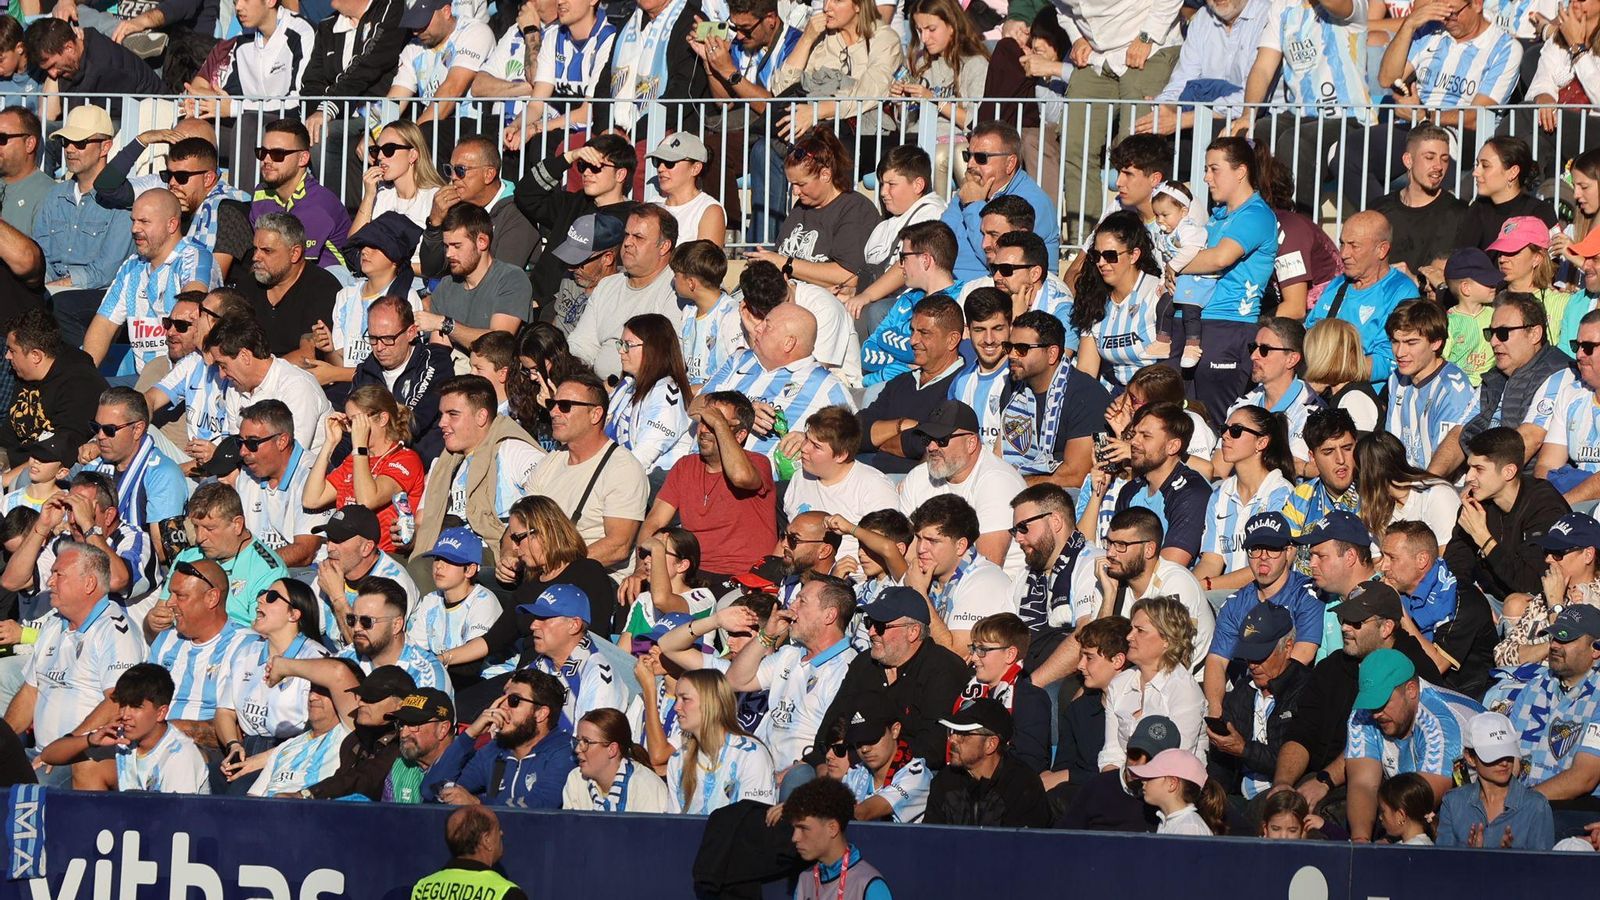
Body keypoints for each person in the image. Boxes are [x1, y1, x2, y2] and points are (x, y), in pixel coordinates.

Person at [1347, 0, 1523, 209]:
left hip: (1460, 135)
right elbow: (1386, 78)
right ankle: (1383, 218)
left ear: (1477, 4)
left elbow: (1477, 116)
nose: (1447, 21)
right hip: (1414, 126)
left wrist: (1426, 116)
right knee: (1343, 153)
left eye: (1453, 13)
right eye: (1442, 13)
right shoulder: (1430, 32)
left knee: (1431, 154)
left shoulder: (1505, 48)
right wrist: (1409, 24)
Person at [3, 542, 143, 784]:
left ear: (89, 584)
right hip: (41, 754)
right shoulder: (53, 624)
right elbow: (29, 693)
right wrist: (3, 741)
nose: (50, 582)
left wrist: (63, 748)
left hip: (85, 757)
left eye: (59, 574)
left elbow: (117, 702)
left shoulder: (115, 630)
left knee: (27, 792)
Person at [1181, 137, 1281, 421]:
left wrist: (1174, 267)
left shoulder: (1256, 214)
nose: (1206, 178)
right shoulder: (1218, 217)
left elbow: (1219, 258)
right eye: (1206, 169)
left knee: (1216, 419)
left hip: (1229, 327)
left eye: (1214, 169)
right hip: (1196, 325)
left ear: (1241, 172)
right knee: (1186, 418)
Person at [1344, 648, 1484, 843]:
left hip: (1473, 816)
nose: (1375, 714)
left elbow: (1424, 796)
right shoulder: (1365, 712)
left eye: (1382, 703)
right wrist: (1360, 841)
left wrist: (1388, 841)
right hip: (1404, 811)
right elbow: (1363, 784)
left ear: (1411, 690)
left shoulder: (1440, 721)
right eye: (1372, 704)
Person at [726, 576, 857, 780]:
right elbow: (735, 681)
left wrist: (781, 780)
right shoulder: (790, 654)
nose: (791, 607)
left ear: (829, 615)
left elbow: (833, 747)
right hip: (760, 776)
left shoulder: (847, 669)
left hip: (800, 784)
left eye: (801, 601)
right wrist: (766, 636)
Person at [699, 304, 857, 472]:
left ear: (788, 343)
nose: (757, 328)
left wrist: (808, 440)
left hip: (754, 481)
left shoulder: (827, 386)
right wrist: (744, 412)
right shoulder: (739, 359)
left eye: (767, 326)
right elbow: (695, 407)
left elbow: (850, 441)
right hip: (695, 468)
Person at [410, 374, 542, 569]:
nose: (441, 423)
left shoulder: (512, 450)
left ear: (481, 417)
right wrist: (408, 537)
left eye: (453, 414)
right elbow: (423, 524)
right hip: (448, 550)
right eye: (441, 414)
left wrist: (512, 549)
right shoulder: (444, 464)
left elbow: (547, 505)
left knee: (421, 569)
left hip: (494, 553)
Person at [85, 189, 216, 376]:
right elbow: (104, 326)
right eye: (133, 221)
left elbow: (193, 311)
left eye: (144, 222)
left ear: (171, 225)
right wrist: (84, 376)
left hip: (182, 380)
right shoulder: (131, 267)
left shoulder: (193, 258)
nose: (134, 229)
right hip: (141, 378)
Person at [524, 373, 648, 571]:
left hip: (595, 575)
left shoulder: (623, 468)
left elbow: (618, 546)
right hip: (544, 570)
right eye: (552, 404)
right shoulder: (550, 461)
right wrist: (508, 554)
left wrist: (558, 566)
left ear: (595, 414)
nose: (554, 412)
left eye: (565, 406)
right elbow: (523, 522)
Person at [216, 578, 330, 791]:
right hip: (247, 747)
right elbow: (224, 710)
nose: (260, 599)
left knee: (238, 794)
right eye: (262, 593)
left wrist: (261, 760)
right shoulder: (245, 652)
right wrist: (233, 745)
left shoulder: (316, 659)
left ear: (294, 614)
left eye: (271, 597)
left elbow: (319, 731)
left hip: (293, 753)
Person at [1202, 512, 1323, 712]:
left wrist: (1268, 700)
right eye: (1256, 549)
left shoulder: (1307, 594)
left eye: (1272, 548)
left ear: (1289, 551)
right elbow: (1216, 661)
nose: (1263, 557)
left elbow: (1304, 652)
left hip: (1293, 696)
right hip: (1248, 695)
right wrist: (1215, 711)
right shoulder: (1235, 603)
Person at [144, 556, 261, 759]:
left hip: (211, 754)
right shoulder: (165, 639)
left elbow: (240, 729)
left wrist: (166, 731)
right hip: (152, 743)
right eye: (170, 593)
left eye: (180, 596)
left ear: (211, 598)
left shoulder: (246, 646)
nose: (169, 603)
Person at [41, 663, 210, 794]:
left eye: (136, 706)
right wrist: (90, 740)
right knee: (87, 765)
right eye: (123, 704)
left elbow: (178, 820)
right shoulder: (119, 735)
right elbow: (48, 755)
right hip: (132, 822)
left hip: (170, 826)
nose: (125, 714)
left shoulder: (180, 756)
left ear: (161, 713)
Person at [1445, 427, 1570, 601]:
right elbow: (1456, 563)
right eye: (1469, 468)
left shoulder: (1544, 506)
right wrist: (1468, 599)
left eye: (1478, 469)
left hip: (1536, 603)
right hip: (1488, 599)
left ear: (1508, 472)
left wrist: (1483, 538)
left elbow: (1532, 584)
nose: (1468, 477)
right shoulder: (1476, 501)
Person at [1080, 403, 1210, 567]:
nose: (1134, 442)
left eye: (1146, 436)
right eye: (1134, 434)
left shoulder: (1192, 492)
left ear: (1172, 446)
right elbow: (1095, 551)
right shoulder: (1130, 490)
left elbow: (1170, 568)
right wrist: (1097, 493)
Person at [514, 137, 636, 309]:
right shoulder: (573, 203)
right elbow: (525, 194)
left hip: (581, 312)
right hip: (533, 305)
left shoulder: (634, 220)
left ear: (620, 174)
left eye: (595, 166)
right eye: (582, 165)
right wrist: (569, 157)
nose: (586, 173)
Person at [303, 386, 427, 555]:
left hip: (383, 555)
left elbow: (367, 501)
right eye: (349, 422)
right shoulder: (356, 458)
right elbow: (311, 499)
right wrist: (329, 443)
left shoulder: (405, 459)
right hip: (346, 551)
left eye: (357, 421)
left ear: (382, 419)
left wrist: (359, 447)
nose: (353, 429)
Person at [428, 669, 578, 808]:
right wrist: (470, 734)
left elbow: (540, 805)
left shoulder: (565, 751)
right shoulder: (495, 751)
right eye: (502, 698)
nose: (501, 707)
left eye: (514, 700)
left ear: (541, 714)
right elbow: (430, 792)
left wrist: (477, 803)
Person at [1209, 602, 1312, 802]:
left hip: (1285, 799)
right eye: (1248, 656)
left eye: (1260, 655)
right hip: (1237, 796)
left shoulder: (1307, 690)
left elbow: (1296, 760)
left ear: (1288, 647)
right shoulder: (1243, 690)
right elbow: (1221, 764)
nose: (1252, 665)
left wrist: (1244, 750)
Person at [308, 214, 424, 390]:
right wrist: (328, 349)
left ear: (395, 258)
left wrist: (334, 374)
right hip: (348, 390)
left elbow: (397, 370)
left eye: (375, 247)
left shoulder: (407, 298)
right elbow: (341, 362)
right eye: (363, 245)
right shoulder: (345, 296)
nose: (365, 251)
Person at [998, 310, 1112, 487]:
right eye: (1008, 347)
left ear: (1052, 354)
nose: (1012, 355)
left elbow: (1076, 477)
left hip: (1071, 494)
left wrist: (1013, 484)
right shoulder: (1013, 390)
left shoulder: (1087, 396)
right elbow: (1000, 453)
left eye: (1021, 349)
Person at [853, 296, 966, 475]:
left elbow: (927, 445)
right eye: (912, 331)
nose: (912, 340)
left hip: (914, 482)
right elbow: (856, 431)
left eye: (924, 333)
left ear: (952, 340)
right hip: (872, 476)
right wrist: (901, 425)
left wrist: (880, 438)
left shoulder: (963, 385)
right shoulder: (901, 382)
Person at [566, 205, 680, 382]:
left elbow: (663, 361)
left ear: (664, 246)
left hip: (644, 389)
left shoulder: (676, 289)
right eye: (627, 235)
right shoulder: (607, 286)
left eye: (638, 237)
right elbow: (581, 347)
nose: (627, 243)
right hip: (597, 387)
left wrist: (619, 388)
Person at [33, 105, 131, 304]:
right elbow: (41, 256)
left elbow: (106, 271)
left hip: (99, 299)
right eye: (66, 141)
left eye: (80, 142)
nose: (69, 149)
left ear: (105, 147)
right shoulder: (54, 196)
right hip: (52, 293)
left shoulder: (122, 201)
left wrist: (55, 288)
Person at [1099, 594, 1207, 772]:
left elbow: (1177, 759)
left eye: (1140, 631)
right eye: (1131, 629)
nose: (1129, 637)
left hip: (1171, 782)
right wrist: (1113, 782)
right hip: (1124, 778)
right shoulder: (1119, 684)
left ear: (1167, 640)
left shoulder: (1184, 690)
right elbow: (1112, 753)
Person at [941, 122, 1059, 282]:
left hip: (1008, 290)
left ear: (1010, 164)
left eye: (981, 158)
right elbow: (940, 244)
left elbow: (999, 261)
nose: (970, 165)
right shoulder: (971, 188)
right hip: (954, 285)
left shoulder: (1032, 201)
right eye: (968, 156)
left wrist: (972, 205)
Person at [1194, 409, 1297, 594]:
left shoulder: (1281, 494)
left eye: (1236, 430)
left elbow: (1267, 568)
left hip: (1266, 596)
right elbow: (1211, 561)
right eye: (1224, 429)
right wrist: (1188, 588)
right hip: (1225, 595)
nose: (1225, 436)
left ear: (1261, 442)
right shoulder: (1220, 494)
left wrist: (1207, 586)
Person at [1071, 211, 1176, 390]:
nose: (1101, 263)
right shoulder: (1095, 300)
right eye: (1096, 256)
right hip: (1117, 392)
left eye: (1110, 256)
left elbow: (1172, 364)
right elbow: (1087, 371)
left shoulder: (1156, 292)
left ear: (1134, 255)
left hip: (1157, 391)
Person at [859, 222, 965, 392]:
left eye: (904, 257)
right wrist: (907, 361)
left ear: (925, 260)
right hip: (878, 386)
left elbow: (933, 360)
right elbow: (867, 354)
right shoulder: (906, 299)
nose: (900, 265)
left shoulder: (961, 299)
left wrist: (887, 343)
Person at [347, 297, 454, 464]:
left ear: (411, 332)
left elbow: (411, 423)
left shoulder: (434, 363)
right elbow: (351, 428)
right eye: (373, 338)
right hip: (372, 463)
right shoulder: (365, 372)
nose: (379, 347)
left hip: (420, 464)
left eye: (388, 338)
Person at [205, 317, 333, 454]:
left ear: (245, 356)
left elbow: (289, 455)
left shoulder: (297, 386)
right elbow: (236, 447)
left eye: (223, 365)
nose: (221, 375)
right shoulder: (235, 387)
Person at [416, 204, 530, 354]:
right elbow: (439, 352)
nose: (449, 254)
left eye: (457, 246)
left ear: (482, 242)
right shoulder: (446, 286)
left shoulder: (511, 279)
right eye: (446, 246)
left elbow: (499, 344)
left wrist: (446, 324)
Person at [1435, 710, 1556, 849]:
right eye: (1494, 755)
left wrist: (1510, 859)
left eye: (1508, 753)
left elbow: (1543, 862)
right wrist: (1471, 857)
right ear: (1470, 758)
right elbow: (1444, 860)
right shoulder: (1453, 803)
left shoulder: (1536, 806)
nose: (1504, 763)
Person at [422, 136, 540, 278]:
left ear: (488, 174)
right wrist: (434, 223)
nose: (453, 177)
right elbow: (430, 270)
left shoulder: (519, 213)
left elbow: (499, 278)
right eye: (449, 170)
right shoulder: (456, 207)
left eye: (460, 170)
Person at [247, 119, 353, 273]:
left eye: (278, 154)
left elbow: (296, 270)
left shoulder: (318, 204)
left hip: (328, 280)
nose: (266, 160)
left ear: (303, 158)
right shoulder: (260, 194)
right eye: (262, 153)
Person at [926, 697, 1051, 827]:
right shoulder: (944, 781)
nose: (952, 740)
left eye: (963, 734)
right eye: (952, 732)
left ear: (991, 744)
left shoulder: (1023, 787)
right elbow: (930, 836)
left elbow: (1026, 839)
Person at [232, 400, 330, 567]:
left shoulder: (313, 475)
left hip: (306, 573)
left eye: (252, 443)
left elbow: (304, 552)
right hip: (259, 568)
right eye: (240, 442)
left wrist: (249, 565)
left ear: (282, 441)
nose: (243, 451)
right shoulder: (247, 474)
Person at [295, 663, 412, 801]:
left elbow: (366, 778)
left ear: (400, 705)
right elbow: (343, 780)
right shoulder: (353, 741)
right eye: (362, 696)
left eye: (371, 698)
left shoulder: (407, 741)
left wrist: (309, 794)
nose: (361, 703)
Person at [667, 668, 778, 813]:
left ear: (711, 702)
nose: (676, 707)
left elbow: (754, 821)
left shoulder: (751, 755)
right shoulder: (678, 759)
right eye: (676, 699)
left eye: (685, 699)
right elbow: (673, 822)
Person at [1386, 299, 1478, 472]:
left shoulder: (1452, 390)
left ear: (1436, 342)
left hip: (1438, 484)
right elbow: (1391, 444)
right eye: (1395, 341)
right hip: (1403, 479)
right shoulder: (1396, 379)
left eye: (1411, 343)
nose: (1399, 352)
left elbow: (1443, 465)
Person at [0, 309, 105, 458]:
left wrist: (10, 469)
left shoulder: (79, 385)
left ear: (35, 356)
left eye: (12, 351)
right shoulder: (25, 374)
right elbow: (7, 436)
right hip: (19, 459)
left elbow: (63, 448)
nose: (7, 356)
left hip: (53, 464)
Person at [1372, 125, 1470, 280]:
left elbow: (1464, 279)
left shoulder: (1460, 214)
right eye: (1429, 157)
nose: (1439, 166)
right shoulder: (1379, 209)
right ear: (1408, 160)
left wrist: (1414, 281)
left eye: (1444, 159)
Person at [1497, 519, 1600, 667]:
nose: (1548, 559)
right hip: (1531, 680)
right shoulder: (1545, 597)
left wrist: (1555, 606)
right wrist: (1549, 646)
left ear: (1588, 554)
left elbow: (1574, 660)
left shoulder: (1594, 598)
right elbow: (1502, 656)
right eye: (1546, 551)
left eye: (1558, 553)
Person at [958, 613, 1051, 772]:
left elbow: (1030, 762)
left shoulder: (1030, 699)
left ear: (1010, 654)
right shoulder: (973, 694)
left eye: (982, 650)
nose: (973, 658)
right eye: (973, 649)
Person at [384, 0, 496, 129]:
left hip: (471, 126)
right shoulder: (413, 47)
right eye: (412, 24)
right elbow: (395, 100)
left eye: (421, 22)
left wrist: (414, 137)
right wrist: (373, 133)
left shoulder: (475, 32)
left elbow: (452, 89)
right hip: (432, 127)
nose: (416, 31)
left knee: (426, 133)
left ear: (446, 11)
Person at [606, 313, 693, 476]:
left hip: (655, 480)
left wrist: (608, 479)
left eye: (628, 345)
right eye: (620, 344)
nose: (621, 351)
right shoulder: (629, 385)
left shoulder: (668, 392)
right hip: (622, 471)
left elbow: (646, 452)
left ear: (653, 349)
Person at [782, 777, 893, 898]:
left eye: (803, 828)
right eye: (794, 829)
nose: (795, 838)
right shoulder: (805, 879)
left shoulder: (869, 884)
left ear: (832, 828)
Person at [1453, 136, 1559, 252]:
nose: (1475, 173)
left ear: (1513, 172)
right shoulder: (1479, 208)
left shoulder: (1540, 211)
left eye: (1485, 166)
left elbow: (1553, 258)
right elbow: (1461, 257)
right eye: (1477, 165)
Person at [1358, 433, 1461, 551]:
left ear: (1367, 474)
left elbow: (1449, 555)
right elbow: (1378, 558)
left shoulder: (1437, 494)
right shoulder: (1377, 508)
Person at [352, 120, 445, 244]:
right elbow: (352, 245)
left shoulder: (435, 198)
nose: (379, 157)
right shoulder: (381, 194)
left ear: (412, 155)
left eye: (389, 149)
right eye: (376, 150)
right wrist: (368, 197)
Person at [22, 17, 164, 98]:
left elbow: (52, 114)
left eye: (53, 66)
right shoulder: (85, 41)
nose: (52, 74)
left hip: (150, 120)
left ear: (69, 48)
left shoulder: (102, 67)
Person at [562, 707, 671, 812]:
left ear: (612, 749)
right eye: (577, 741)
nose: (577, 749)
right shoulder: (576, 779)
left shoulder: (646, 787)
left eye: (586, 742)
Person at [410, 806, 529, 899]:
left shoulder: (422, 888)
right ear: (486, 840)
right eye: (497, 829)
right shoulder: (507, 893)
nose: (501, 833)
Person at [1378, 772, 1438, 845]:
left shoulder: (1413, 848)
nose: (1380, 817)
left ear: (1401, 815)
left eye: (1383, 811)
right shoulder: (1409, 845)